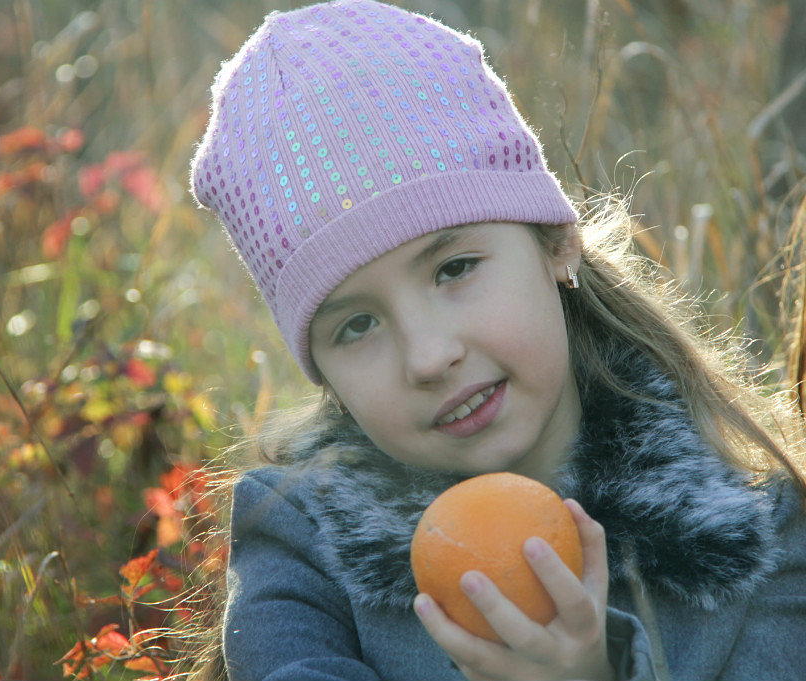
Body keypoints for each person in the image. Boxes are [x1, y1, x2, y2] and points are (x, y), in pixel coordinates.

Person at [187, 1, 806, 679]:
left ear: (556, 240)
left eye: (454, 268)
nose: (429, 356)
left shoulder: (770, 534)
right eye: (355, 325)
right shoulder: (299, 542)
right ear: (323, 371)